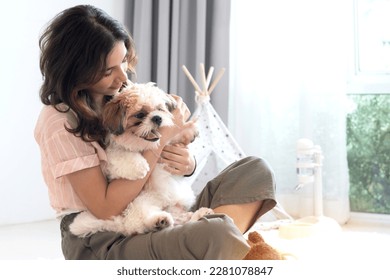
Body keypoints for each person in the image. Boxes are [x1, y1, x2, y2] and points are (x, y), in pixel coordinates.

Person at [34, 4, 276, 260]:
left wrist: (186, 162)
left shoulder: (122, 94)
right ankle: (210, 244)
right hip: (104, 236)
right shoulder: (59, 121)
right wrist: (161, 142)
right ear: (77, 70)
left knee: (256, 171)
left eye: (124, 61)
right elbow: (105, 208)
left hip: (160, 206)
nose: (123, 77)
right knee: (217, 232)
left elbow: (170, 146)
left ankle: (203, 243)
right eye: (108, 71)